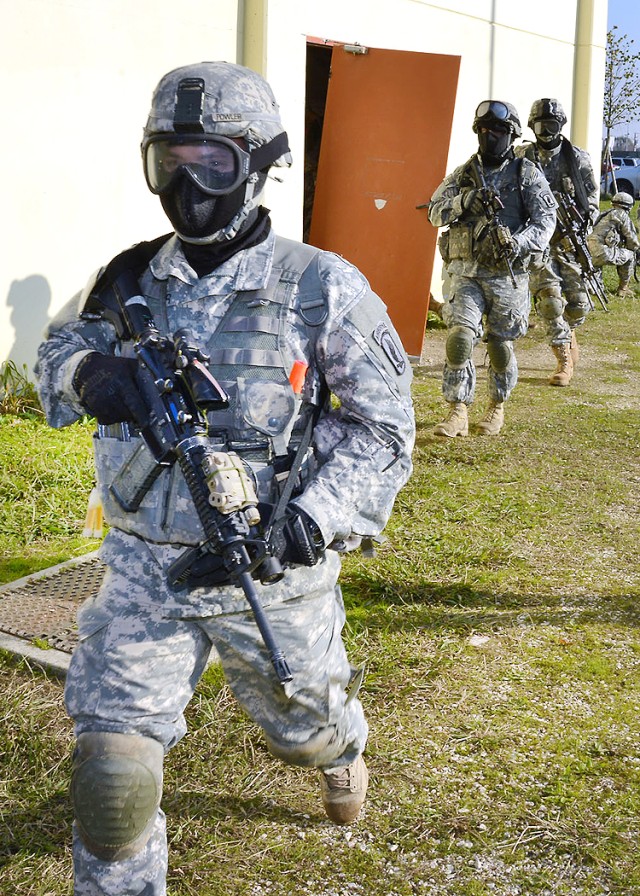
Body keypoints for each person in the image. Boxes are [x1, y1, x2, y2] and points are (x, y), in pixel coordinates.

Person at [35, 62, 415, 896]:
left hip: (272, 573)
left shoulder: (321, 287)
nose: (187, 182)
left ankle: (341, 743)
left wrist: (307, 520)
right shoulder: (130, 277)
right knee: (111, 779)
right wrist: (92, 375)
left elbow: (383, 429)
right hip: (146, 573)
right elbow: (54, 359)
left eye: (210, 160)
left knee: (303, 731)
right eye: (168, 159)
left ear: (258, 162)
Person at [427, 100, 557, 437]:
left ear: (511, 134)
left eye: (498, 130)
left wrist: (519, 242)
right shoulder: (464, 173)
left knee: (499, 345)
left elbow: (545, 222)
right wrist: (463, 201)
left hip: (506, 273)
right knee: (459, 338)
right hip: (465, 272)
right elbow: (434, 211)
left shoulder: (526, 173)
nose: (490, 136)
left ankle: (496, 406)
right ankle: (457, 410)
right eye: (483, 130)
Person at [516, 98, 599, 387]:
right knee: (551, 302)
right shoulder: (521, 157)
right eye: (541, 125)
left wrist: (579, 225)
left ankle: (569, 331)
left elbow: (591, 202)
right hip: (538, 242)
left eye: (551, 125)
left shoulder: (577, 158)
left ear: (560, 126)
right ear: (532, 126)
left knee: (578, 305)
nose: (546, 131)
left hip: (567, 240)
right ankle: (563, 360)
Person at [587, 191, 639, 297]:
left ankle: (594, 288)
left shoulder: (604, 214)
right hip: (604, 252)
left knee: (596, 265)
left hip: (589, 251)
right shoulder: (622, 215)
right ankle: (623, 289)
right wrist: (634, 250)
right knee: (630, 255)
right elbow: (632, 239)